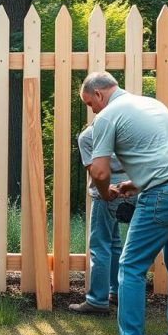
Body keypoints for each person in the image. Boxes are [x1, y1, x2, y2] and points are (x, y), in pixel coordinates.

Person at [79, 71, 168, 335]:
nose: (93, 110)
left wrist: (106, 193)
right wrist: (132, 186)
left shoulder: (108, 115)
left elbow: (99, 172)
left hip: (167, 193)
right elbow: (164, 158)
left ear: (99, 94)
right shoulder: (151, 104)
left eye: (90, 103)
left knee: (131, 266)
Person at [68, 125, 131, 315]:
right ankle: (116, 292)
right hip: (128, 189)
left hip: (107, 194)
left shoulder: (88, 136)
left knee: (99, 246)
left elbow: (96, 172)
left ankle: (97, 301)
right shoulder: (122, 128)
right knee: (114, 244)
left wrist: (104, 192)